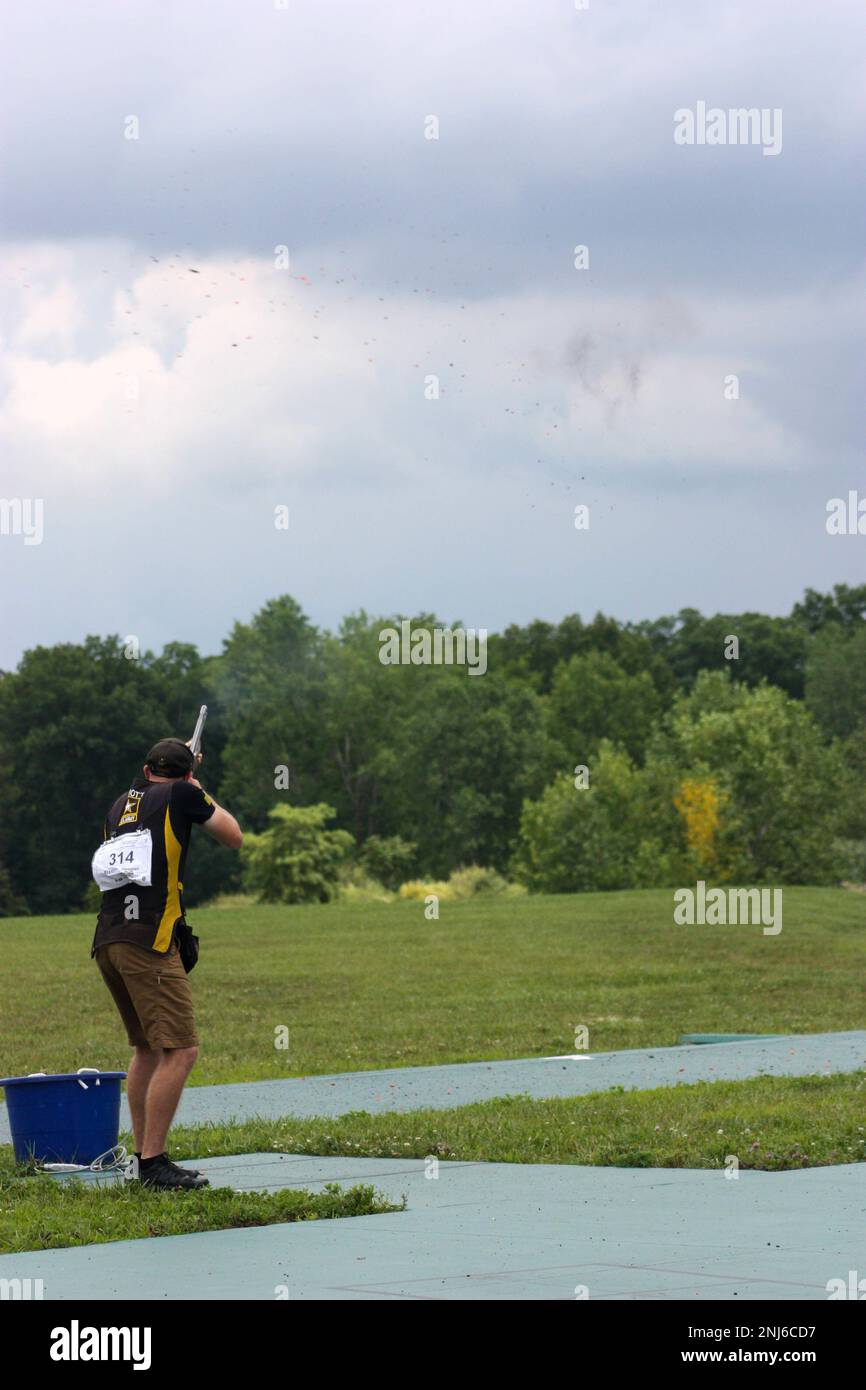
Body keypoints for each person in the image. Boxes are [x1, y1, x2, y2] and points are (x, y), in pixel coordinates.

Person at [91, 737, 242, 1190]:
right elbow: (233, 836)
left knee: (148, 1049)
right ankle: (153, 1163)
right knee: (181, 1049)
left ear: (146, 768)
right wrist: (197, 784)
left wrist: (178, 772)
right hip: (149, 943)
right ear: (186, 773)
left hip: (110, 940)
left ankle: (142, 1159)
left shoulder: (121, 804)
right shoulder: (183, 792)